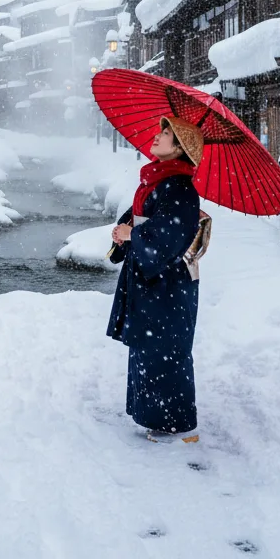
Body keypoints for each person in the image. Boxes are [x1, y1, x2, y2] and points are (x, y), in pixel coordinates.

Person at [106, 115, 210, 443]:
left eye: (167, 135)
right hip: (150, 279)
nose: (157, 137)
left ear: (180, 149)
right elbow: (144, 219)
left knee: (166, 348)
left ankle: (173, 422)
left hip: (169, 283)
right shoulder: (157, 179)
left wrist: (134, 233)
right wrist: (124, 234)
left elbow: (168, 235)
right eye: (161, 131)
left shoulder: (179, 186)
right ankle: (153, 415)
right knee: (147, 345)